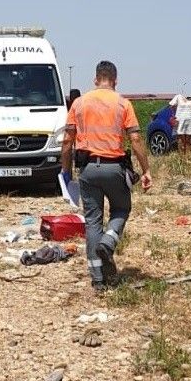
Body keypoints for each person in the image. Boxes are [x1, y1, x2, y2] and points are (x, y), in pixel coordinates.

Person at [60, 61, 152, 293]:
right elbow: (136, 139)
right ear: (115, 80)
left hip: (88, 170)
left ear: (95, 79)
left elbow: (67, 141)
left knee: (92, 221)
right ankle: (109, 241)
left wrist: (65, 171)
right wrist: (146, 170)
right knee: (122, 209)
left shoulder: (78, 104)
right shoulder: (123, 103)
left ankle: (98, 279)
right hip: (114, 168)